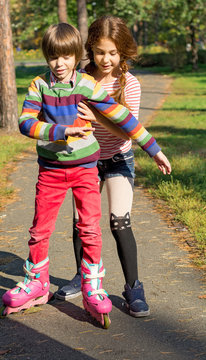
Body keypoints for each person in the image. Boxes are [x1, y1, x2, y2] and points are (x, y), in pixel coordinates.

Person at [0, 22, 170, 328]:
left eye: (66, 57)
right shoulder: (41, 85)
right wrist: (64, 131)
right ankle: (40, 281)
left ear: (77, 55)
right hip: (55, 168)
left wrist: (153, 149)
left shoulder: (95, 85)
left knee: (102, 224)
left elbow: (124, 118)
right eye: (53, 57)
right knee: (48, 228)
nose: (59, 63)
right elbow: (25, 123)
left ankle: (108, 285)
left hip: (97, 164)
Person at [55, 16, 171, 318]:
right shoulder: (81, 77)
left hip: (119, 158)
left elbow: (128, 129)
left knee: (119, 221)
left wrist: (96, 118)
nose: (106, 59)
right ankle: (84, 277)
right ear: (91, 50)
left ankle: (134, 287)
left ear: (123, 52)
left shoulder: (129, 83)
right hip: (86, 159)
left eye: (113, 53)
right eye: (100, 52)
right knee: (82, 220)